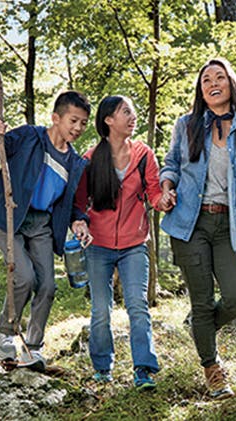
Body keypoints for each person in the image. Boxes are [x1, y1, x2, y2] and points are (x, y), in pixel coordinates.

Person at [159, 58, 236, 400]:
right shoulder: (186, 125)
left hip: (229, 226)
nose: (213, 82)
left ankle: (200, 327)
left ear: (232, 86)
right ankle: (212, 367)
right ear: (200, 90)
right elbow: (171, 163)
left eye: (220, 77)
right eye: (206, 79)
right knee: (201, 300)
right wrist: (165, 188)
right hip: (190, 224)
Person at [0, 91, 91, 372]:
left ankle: (32, 348)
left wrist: (78, 220)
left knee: (48, 286)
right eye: (73, 120)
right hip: (11, 216)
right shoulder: (28, 136)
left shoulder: (75, 163)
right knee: (23, 277)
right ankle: (4, 332)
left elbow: (73, 203)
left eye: (83, 123)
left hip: (41, 225)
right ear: (56, 118)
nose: (77, 128)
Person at [72, 95, 167, 390]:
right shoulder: (90, 158)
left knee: (138, 305)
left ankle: (144, 370)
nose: (132, 116)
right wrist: (78, 224)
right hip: (98, 245)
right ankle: (102, 367)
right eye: (125, 112)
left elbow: (153, 193)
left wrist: (162, 200)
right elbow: (79, 202)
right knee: (101, 309)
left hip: (134, 243)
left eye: (133, 112)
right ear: (109, 120)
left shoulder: (144, 154)